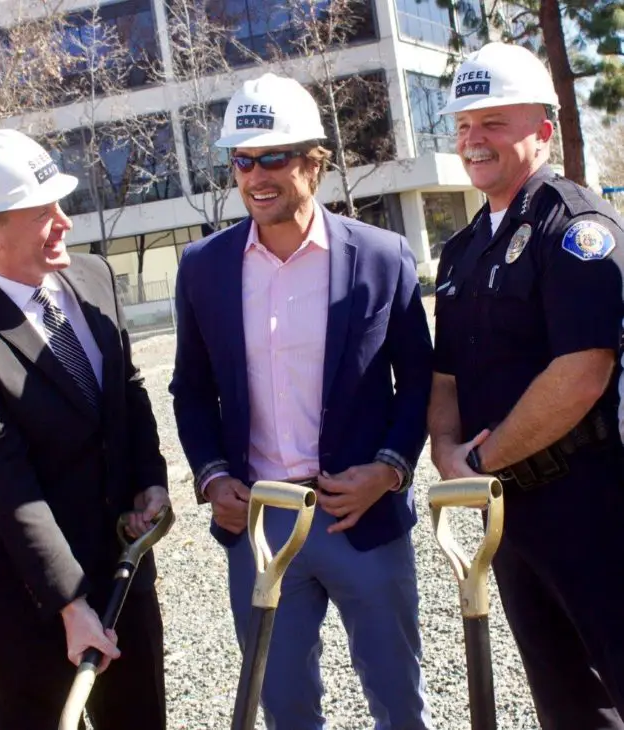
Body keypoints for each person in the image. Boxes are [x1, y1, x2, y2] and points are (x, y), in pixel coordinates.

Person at [170, 72, 434, 730]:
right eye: (242, 160)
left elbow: (419, 383)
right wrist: (211, 477)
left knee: (399, 702)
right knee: (285, 707)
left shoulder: (382, 257)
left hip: (361, 519)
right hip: (261, 526)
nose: (256, 175)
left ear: (314, 161)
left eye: (274, 157)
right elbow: (191, 390)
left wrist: (390, 469)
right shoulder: (203, 268)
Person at [0, 129, 170, 730]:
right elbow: (2, 485)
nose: (64, 223)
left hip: (122, 569)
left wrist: (149, 481)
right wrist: (70, 605)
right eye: (42, 214)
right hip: (25, 598)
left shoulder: (92, 279)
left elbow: (130, 389)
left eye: (61, 205)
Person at [428, 42, 624, 729]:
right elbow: (446, 371)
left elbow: (582, 371)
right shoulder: (462, 248)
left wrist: (477, 461)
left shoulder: (575, 229)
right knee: (565, 699)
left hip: (590, 502)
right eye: (463, 126)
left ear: (543, 130)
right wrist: (447, 453)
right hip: (506, 511)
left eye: (494, 123)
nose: (473, 141)